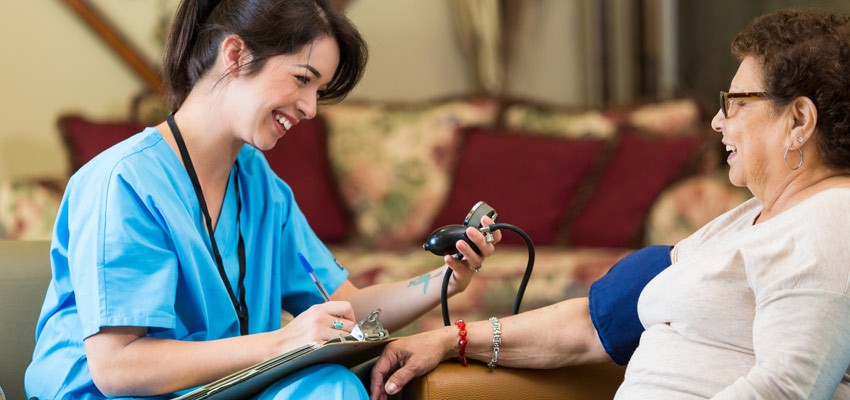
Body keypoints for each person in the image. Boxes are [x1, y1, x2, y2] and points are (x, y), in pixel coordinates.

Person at [24, 0, 500, 399]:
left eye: (318, 90)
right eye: (302, 79)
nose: (311, 108)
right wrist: (282, 343)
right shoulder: (122, 181)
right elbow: (118, 368)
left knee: (329, 385)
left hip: (215, 388)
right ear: (235, 55)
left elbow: (348, 309)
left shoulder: (258, 183)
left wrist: (445, 281)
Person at [371, 8, 850, 400]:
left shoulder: (830, 222)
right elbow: (597, 324)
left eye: (736, 103)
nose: (717, 122)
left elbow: (788, 391)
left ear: (799, 120)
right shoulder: (749, 220)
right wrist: (452, 338)